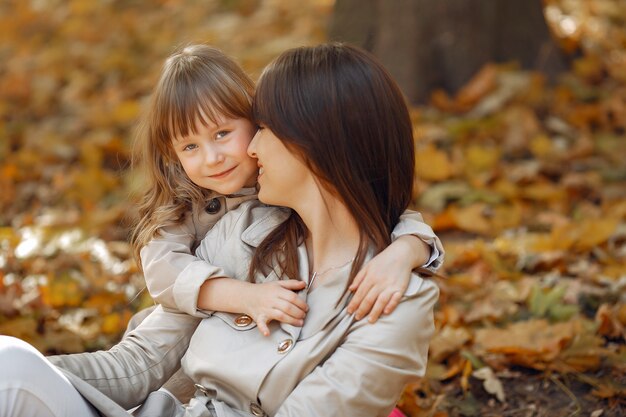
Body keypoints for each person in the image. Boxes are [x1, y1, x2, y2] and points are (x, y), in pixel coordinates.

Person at [0, 43, 442, 417]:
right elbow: (142, 358)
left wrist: (407, 249)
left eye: (263, 127)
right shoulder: (243, 232)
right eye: (191, 145)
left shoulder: (396, 300)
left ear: (320, 144)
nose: (250, 148)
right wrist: (46, 377)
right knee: (11, 367)